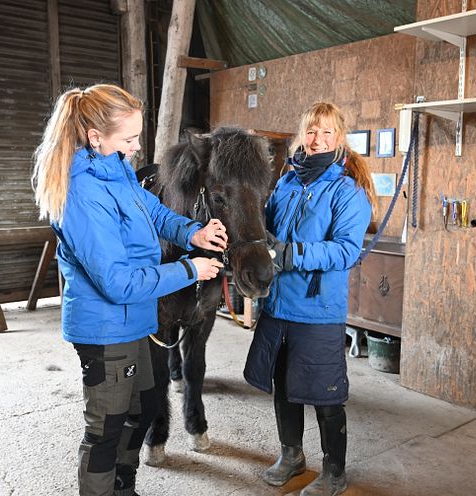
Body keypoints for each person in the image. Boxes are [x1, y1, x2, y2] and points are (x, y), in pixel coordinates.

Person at [32, 83, 227, 496]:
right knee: (106, 427)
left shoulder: (115, 166)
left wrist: (193, 233)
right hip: (105, 328)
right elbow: (118, 281)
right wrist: (189, 270)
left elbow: (153, 211)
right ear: (95, 137)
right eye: (130, 138)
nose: (137, 148)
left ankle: (125, 488)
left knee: (144, 407)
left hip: (136, 318)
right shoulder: (82, 192)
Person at [244, 102, 375, 496]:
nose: (317, 139)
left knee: (325, 394)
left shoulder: (346, 191)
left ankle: (334, 471)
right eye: (311, 131)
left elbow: (346, 251)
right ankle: (292, 456)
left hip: (317, 310)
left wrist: (292, 254)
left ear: (339, 139)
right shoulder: (286, 182)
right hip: (278, 305)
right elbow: (265, 230)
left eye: (326, 132)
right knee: (284, 386)